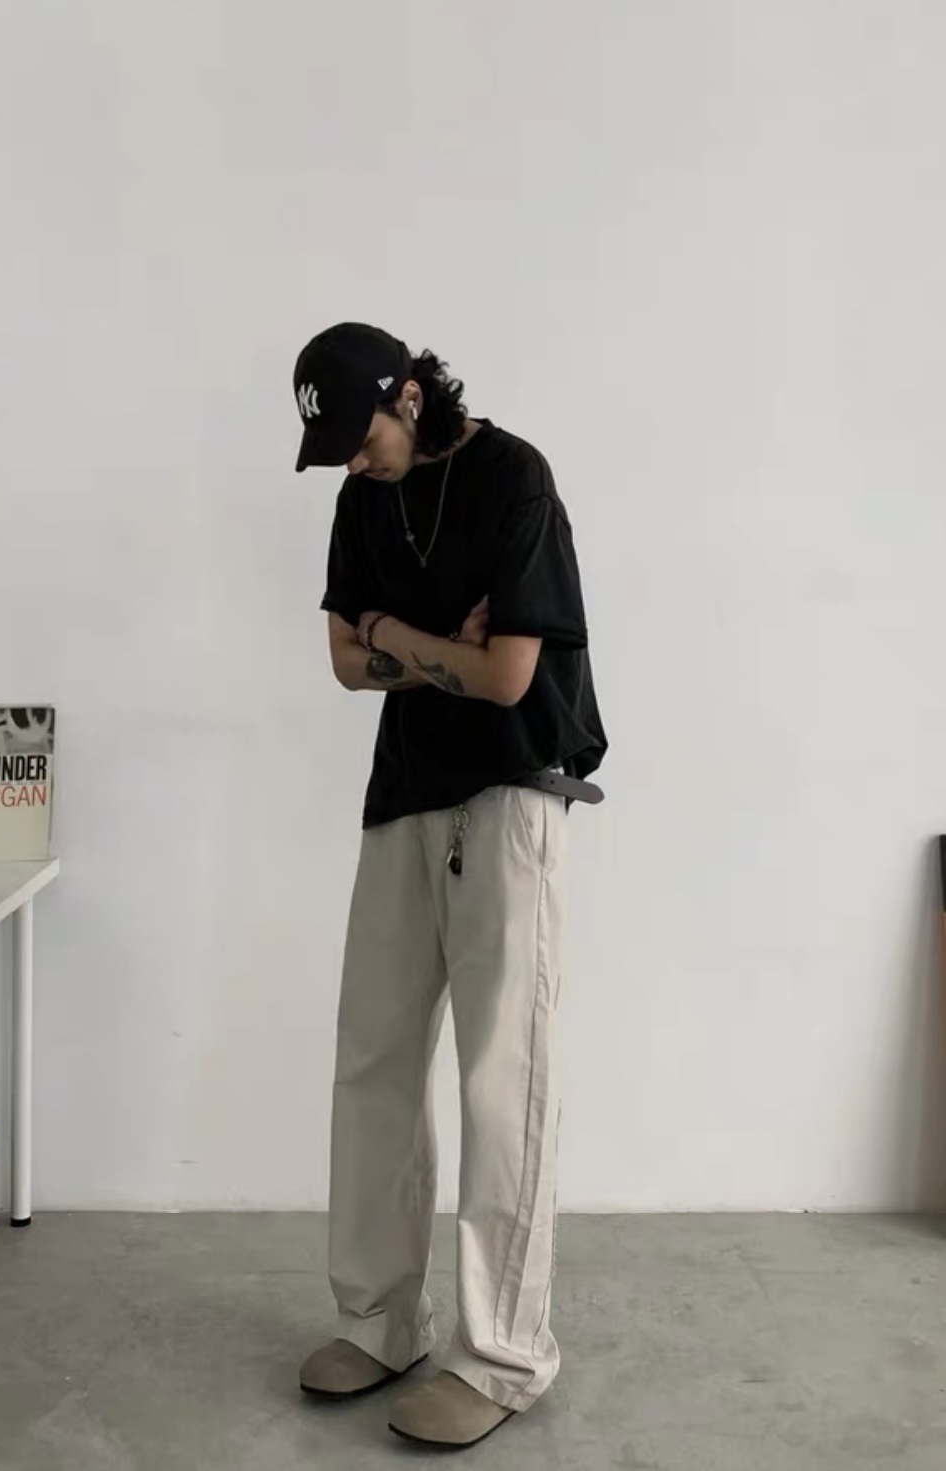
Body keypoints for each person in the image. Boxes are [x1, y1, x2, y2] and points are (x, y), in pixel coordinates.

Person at [292, 322, 607, 1450]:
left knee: (499, 1077)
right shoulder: (360, 500)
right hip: (403, 794)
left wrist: (398, 639)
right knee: (372, 1059)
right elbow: (345, 660)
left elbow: (511, 675)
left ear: (411, 396)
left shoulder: (513, 478)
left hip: (511, 791)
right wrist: (432, 645)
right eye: (334, 446)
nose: (352, 458)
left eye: (360, 433)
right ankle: (380, 1321)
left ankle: (503, 1356)